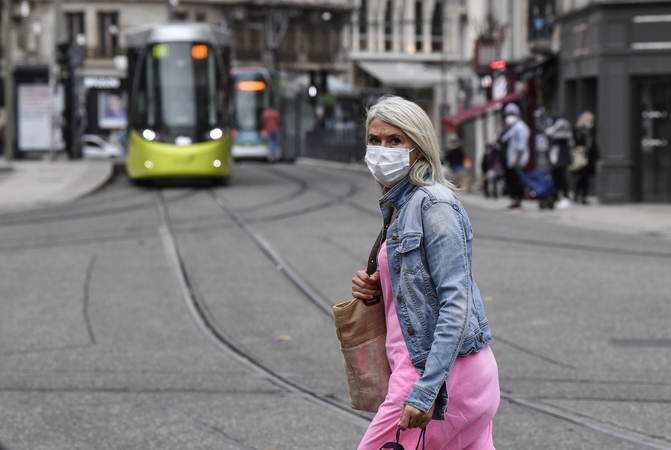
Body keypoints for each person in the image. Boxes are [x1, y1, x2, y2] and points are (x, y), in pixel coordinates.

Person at [352, 96, 499, 450]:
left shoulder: (434, 204)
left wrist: (427, 390)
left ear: (417, 148)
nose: (382, 149)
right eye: (375, 140)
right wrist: (377, 287)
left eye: (394, 141)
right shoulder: (401, 204)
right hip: (435, 370)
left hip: (438, 375)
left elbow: (456, 303)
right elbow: (416, 289)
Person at [496, 103, 530, 212]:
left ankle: (518, 202)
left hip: (517, 161)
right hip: (510, 160)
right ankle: (514, 201)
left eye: (512, 114)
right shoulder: (511, 128)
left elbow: (521, 146)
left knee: (517, 182)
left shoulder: (520, 127)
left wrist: (516, 159)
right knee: (511, 181)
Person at [545, 117, 574, 209]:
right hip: (558, 159)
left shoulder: (558, 133)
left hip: (558, 159)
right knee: (558, 179)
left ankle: (563, 197)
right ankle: (558, 197)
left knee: (561, 179)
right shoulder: (563, 133)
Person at [573, 111, 601, 205]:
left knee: (587, 178)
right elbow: (574, 141)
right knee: (581, 177)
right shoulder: (578, 130)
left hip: (589, 157)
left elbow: (594, 145)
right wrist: (578, 147)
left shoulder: (592, 131)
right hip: (580, 157)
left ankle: (584, 197)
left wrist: (598, 157)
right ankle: (577, 196)